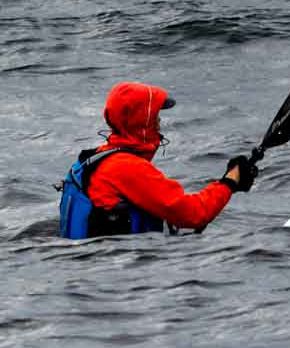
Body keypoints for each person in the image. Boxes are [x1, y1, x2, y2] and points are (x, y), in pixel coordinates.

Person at [59, 81, 257, 239]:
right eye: (155, 117)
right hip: (118, 276)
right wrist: (230, 182)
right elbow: (194, 214)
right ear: (142, 123)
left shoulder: (94, 158)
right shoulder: (126, 167)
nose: (159, 123)